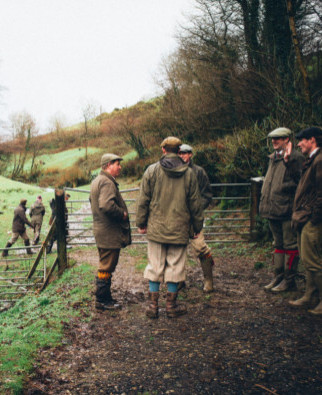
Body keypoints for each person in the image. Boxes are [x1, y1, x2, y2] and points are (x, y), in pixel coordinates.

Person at [136, 137, 204, 319]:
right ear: (178, 150)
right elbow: (195, 203)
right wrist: (197, 226)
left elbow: (143, 200)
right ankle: (171, 306)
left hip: (156, 228)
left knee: (154, 265)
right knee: (175, 267)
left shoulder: (152, 171)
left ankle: (153, 306)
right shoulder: (189, 173)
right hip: (179, 228)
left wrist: (141, 223)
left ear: (164, 150)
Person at [259, 127, 304, 292]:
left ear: (287, 139)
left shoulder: (296, 157)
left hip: (287, 209)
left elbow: (301, 182)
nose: (274, 141)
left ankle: (289, 280)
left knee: (290, 245)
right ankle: (278, 277)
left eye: (278, 138)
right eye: (272, 139)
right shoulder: (273, 158)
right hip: (273, 209)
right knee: (278, 244)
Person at [90, 153, 131, 311]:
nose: (119, 167)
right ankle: (102, 300)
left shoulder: (97, 181)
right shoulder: (107, 182)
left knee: (105, 264)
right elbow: (106, 205)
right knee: (107, 266)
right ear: (108, 165)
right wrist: (122, 213)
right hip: (109, 232)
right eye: (117, 164)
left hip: (101, 230)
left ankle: (104, 297)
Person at [289, 127, 322, 315]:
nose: (299, 144)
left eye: (302, 140)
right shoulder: (312, 160)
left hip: (311, 219)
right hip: (304, 218)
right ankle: (310, 295)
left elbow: (320, 193)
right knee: (307, 259)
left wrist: (315, 218)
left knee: (314, 260)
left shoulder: (320, 160)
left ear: (312, 140)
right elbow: (301, 185)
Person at [178, 143, 215, 292]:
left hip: (194, 219)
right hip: (178, 218)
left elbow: (207, 195)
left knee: (200, 248)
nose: (182, 156)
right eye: (180, 153)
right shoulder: (174, 171)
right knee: (178, 249)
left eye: (185, 153)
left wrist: (198, 210)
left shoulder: (199, 172)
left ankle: (208, 280)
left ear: (191, 155)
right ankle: (178, 280)